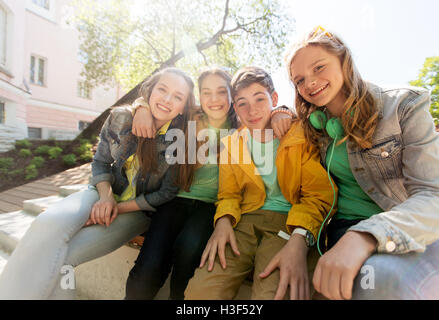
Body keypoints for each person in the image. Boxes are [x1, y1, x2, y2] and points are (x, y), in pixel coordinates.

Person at [272, 26, 439, 299]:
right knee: (372, 281)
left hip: (400, 225)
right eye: (299, 80)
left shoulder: (404, 105)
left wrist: (365, 235)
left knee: (386, 280)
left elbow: (433, 195)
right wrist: (278, 110)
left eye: (319, 67)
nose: (310, 83)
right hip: (342, 228)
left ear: (343, 61)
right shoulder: (315, 125)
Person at [0, 67, 196, 300]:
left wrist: (116, 207)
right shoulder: (121, 118)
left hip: (137, 211)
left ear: (184, 106)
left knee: (65, 257)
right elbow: (101, 163)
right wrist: (105, 197)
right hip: (101, 193)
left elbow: (166, 193)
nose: (167, 99)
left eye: (177, 96)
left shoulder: (182, 140)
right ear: (150, 91)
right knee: (45, 222)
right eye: (162, 89)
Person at [184, 66, 335, 300]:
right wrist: (223, 221)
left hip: (289, 223)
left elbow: (318, 195)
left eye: (259, 99)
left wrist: (300, 238)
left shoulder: (298, 135)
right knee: (200, 292)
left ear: (274, 99)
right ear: (235, 107)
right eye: (242, 103)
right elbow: (228, 194)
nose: (252, 110)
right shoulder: (233, 144)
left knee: (273, 294)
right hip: (244, 221)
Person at [124, 67, 239, 300]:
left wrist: (282, 111)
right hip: (175, 197)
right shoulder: (190, 118)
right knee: (150, 263)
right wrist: (141, 108)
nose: (214, 99)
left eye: (221, 92)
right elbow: (160, 103)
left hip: (211, 206)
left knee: (190, 248)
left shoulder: (242, 125)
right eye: (206, 92)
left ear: (232, 95)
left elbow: (269, 110)